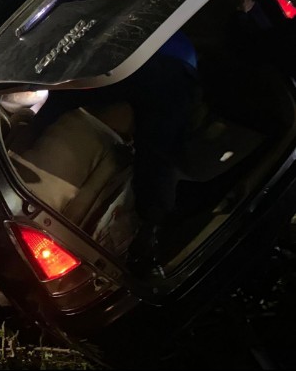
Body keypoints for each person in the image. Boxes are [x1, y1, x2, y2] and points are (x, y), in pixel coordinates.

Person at [30, 31, 201, 276]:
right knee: (159, 150)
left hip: (128, 53)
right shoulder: (176, 74)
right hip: (159, 62)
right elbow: (159, 154)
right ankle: (150, 231)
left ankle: (150, 228)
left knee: (62, 92)